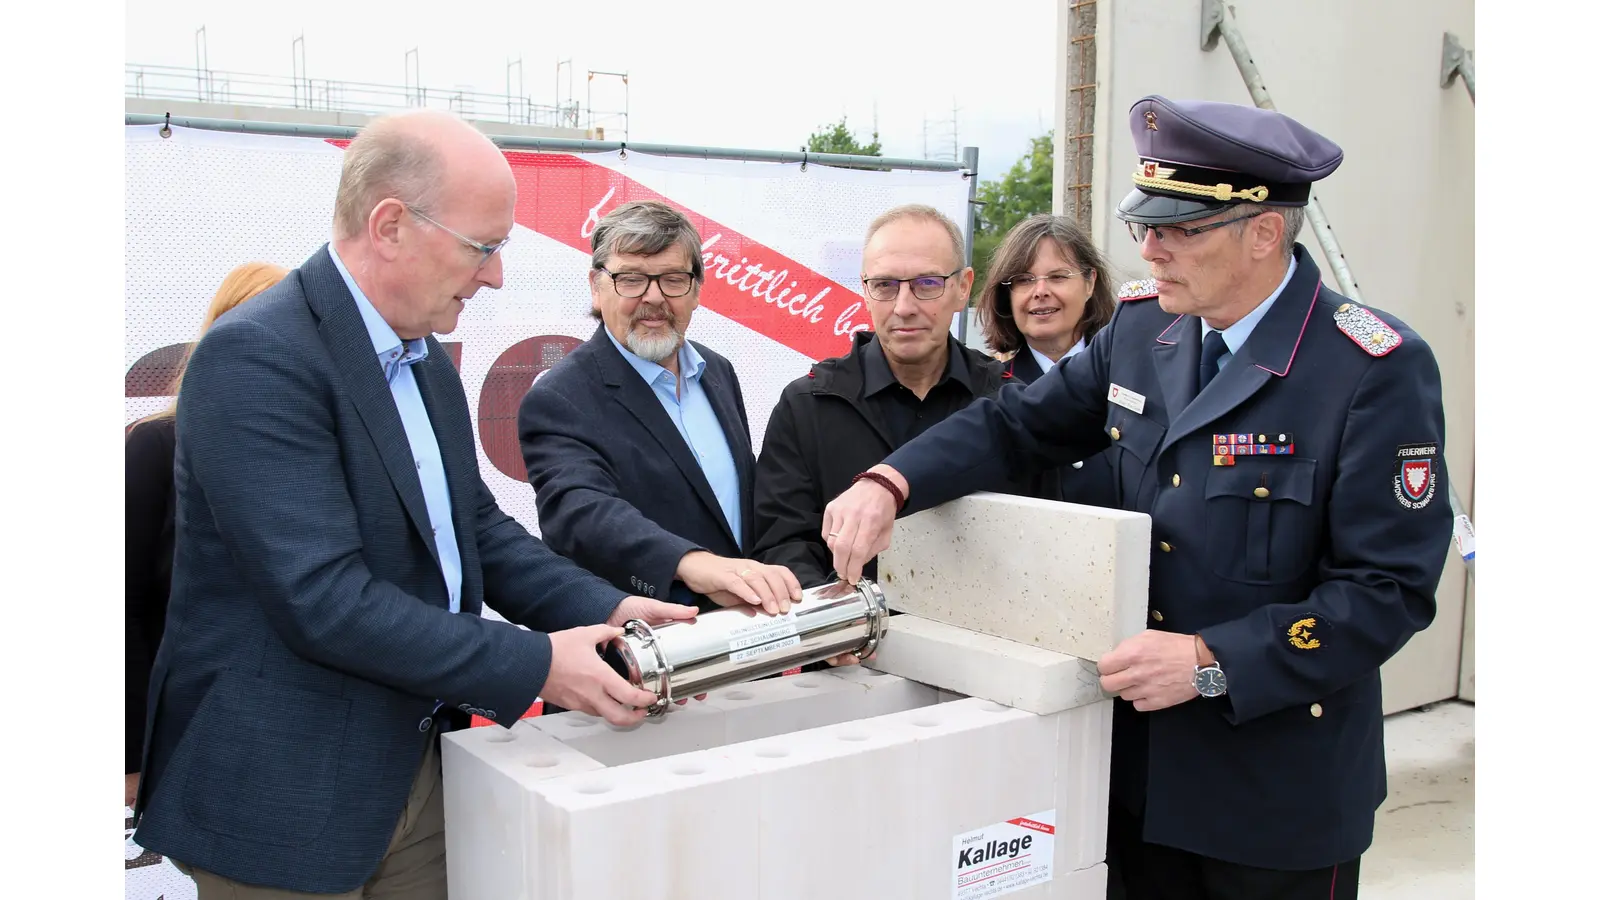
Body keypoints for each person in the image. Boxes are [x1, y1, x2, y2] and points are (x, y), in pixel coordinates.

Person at [819, 95, 1454, 900]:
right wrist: (891, 481)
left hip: (1275, 794)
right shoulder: (1142, 333)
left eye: (1179, 229)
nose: (1149, 250)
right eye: (1143, 226)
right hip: (1136, 779)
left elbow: (1385, 591)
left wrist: (1212, 662)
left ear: (1264, 231)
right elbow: (1015, 428)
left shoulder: (1370, 366)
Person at [130, 109, 700, 900]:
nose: (496, 275)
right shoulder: (256, 357)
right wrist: (538, 663)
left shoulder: (423, 355)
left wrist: (613, 609)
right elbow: (323, 600)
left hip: (418, 771)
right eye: (485, 246)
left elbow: (473, 529)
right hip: (283, 801)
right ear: (390, 225)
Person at [518, 200, 800, 619]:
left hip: (748, 634)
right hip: (649, 650)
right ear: (597, 288)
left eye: (673, 279)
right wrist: (691, 564)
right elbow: (581, 513)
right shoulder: (559, 397)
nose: (653, 297)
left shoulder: (717, 372)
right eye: (631, 279)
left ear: (697, 290)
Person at [750, 204, 1041, 592]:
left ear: (963, 288)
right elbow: (781, 545)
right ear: (865, 291)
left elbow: (1037, 544)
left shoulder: (1006, 402)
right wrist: (839, 622)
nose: (904, 307)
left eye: (927, 284)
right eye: (885, 285)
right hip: (845, 643)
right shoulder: (807, 405)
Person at [125, 261, 287, 810]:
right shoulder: (154, 446)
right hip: (190, 730)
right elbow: (122, 607)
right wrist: (131, 754)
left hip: (286, 734)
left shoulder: (307, 455)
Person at [974, 214, 1118, 508]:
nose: (1040, 291)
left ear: (1090, 282)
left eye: (1058, 277)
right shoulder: (985, 390)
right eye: (1024, 280)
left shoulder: (1133, 380)